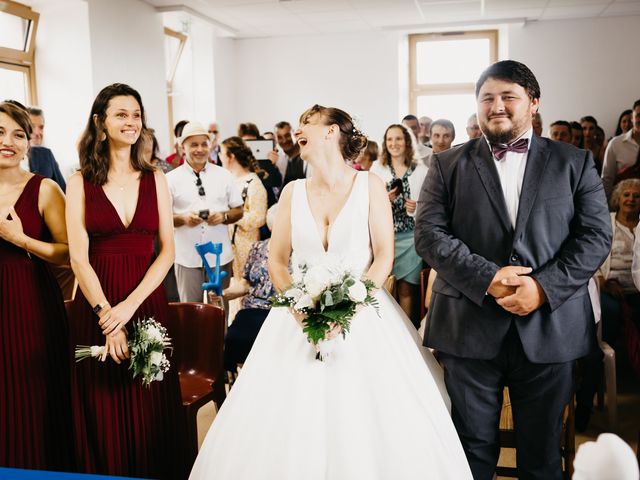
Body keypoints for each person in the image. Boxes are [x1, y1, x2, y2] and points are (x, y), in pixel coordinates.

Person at [189, 104, 473, 479]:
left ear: (333, 131)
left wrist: (349, 306)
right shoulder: (291, 192)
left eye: (308, 122)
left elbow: (384, 256)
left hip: (362, 313)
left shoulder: (369, 185)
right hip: (296, 316)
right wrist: (297, 307)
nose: (299, 129)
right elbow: (278, 262)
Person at [415, 60, 611, 480]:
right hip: (469, 326)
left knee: (541, 455)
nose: (497, 106)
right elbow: (430, 236)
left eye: (509, 97)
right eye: (487, 98)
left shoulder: (574, 162)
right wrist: (489, 277)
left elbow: (595, 237)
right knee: (470, 450)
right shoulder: (447, 165)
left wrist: (541, 288)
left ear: (533, 103)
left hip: (550, 327)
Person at [66, 83, 188, 479]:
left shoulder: (156, 179)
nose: (131, 122)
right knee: (101, 405)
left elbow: (166, 252)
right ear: (100, 123)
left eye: (136, 115)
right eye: (121, 114)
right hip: (97, 302)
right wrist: (108, 316)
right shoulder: (78, 180)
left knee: (149, 402)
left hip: (146, 300)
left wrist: (128, 309)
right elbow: (78, 258)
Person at [0, 101, 74, 471]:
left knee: (32, 396)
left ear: (30, 143)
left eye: (18, 134)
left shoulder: (44, 189)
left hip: (29, 304)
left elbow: (67, 255)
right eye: (0, 133)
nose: (8, 142)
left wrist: (20, 239)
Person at [167, 121, 244, 305]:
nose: (200, 149)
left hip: (220, 256)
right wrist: (183, 219)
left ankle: (220, 336)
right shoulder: (170, 179)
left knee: (219, 310)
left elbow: (238, 210)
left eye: (204, 144)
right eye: (194, 144)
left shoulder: (224, 175)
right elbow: (162, 219)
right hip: (187, 257)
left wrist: (223, 217)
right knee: (189, 310)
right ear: (182, 146)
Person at [370, 123, 428, 328]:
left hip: (411, 237)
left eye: (398, 139)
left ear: (407, 141)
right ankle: (386, 331)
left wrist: (416, 208)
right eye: (390, 139)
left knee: (406, 289)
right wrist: (383, 200)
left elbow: (430, 207)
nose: (394, 143)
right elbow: (368, 202)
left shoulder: (421, 171)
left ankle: (406, 333)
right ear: (385, 144)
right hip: (385, 237)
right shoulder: (377, 169)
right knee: (384, 287)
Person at [219, 136, 267, 318]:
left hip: (245, 244)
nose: (220, 157)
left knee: (242, 286)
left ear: (230, 156)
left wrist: (233, 215)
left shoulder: (253, 184)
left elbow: (259, 218)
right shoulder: (229, 180)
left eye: (222, 154)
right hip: (227, 242)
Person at [602, 99, 640, 199]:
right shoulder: (615, 143)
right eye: (638, 116)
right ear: (632, 118)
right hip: (623, 203)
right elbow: (607, 179)